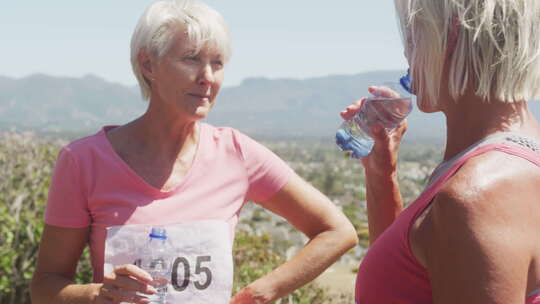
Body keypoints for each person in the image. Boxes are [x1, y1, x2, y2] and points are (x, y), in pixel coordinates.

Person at [30, 1, 358, 303]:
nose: (208, 78)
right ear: (148, 64)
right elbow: (46, 286)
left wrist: (260, 293)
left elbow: (337, 231)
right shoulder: (83, 161)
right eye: (191, 59)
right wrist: (98, 294)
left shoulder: (237, 154)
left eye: (217, 63)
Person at [343, 0, 540, 303]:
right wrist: (381, 175)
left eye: (413, 32)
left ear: (449, 34)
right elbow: (407, 282)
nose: (407, 51)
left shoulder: (479, 196)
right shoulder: (507, 165)